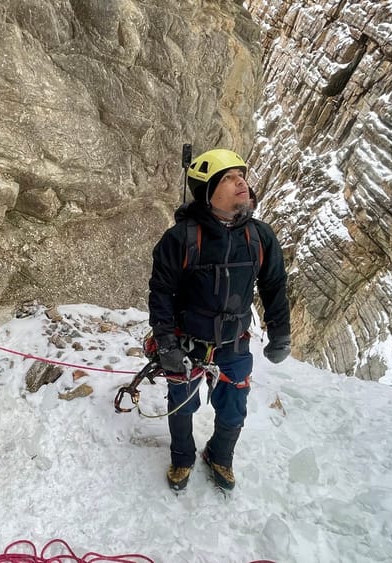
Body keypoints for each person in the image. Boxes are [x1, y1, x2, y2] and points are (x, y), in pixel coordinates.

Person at [148, 148, 291, 492]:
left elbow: (274, 287)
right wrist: (165, 341)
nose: (241, 181)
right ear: (208, 191)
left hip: (234, 344)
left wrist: (281, 334)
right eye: (228, 177)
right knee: (182, 404)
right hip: (187, 342)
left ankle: (220, 456)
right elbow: (161, 292)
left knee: (233, 408)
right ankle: (182, 457)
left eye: (241, 174)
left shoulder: (259, 237)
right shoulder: (181, 239)